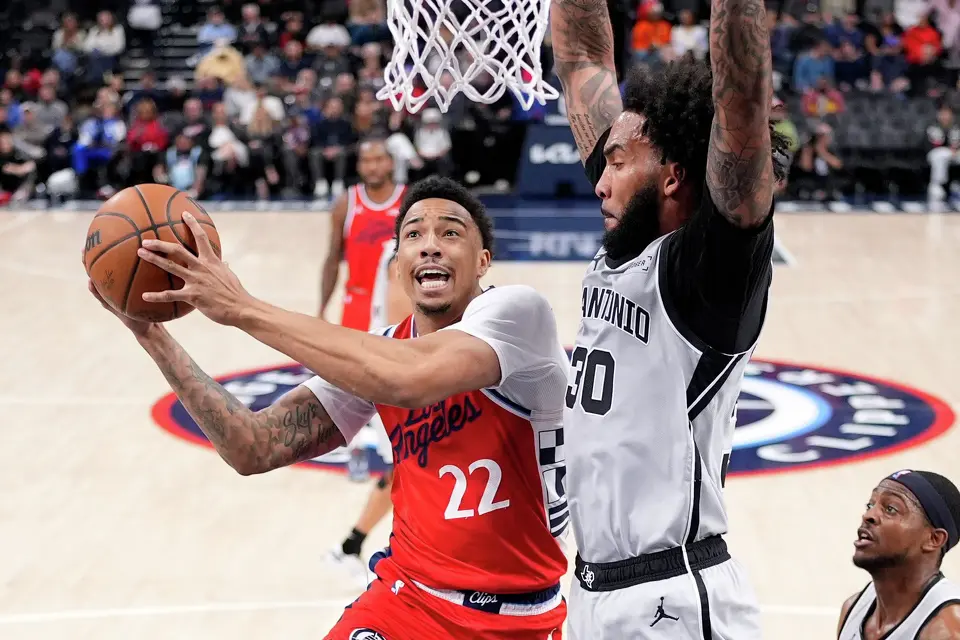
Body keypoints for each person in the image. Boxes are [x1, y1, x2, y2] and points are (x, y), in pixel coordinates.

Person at [96, 177, 570, 639]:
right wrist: (152, 336)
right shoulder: (380, 353)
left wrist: (241, 307)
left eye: (450, 232)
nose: (430, 245)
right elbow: (254, 447)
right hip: (405, 602)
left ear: (483, 260)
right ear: (398, 262)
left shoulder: (519, 316)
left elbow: (409, 378)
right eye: (413, 235)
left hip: (517, 618)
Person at [551, 0, 790, 636]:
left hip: (673, 595)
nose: (600, 179)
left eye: (619, 161)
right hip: (591, 589)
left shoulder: (705, 277)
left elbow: (740, 106)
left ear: (675, 177)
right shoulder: (627, 245)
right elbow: (581, 62)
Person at [318, 137, 410, 586]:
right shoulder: (351, 208)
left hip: (388, 329)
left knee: (406, 462)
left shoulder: (408, 212)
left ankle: (355, 545)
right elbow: (332, 258)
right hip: (377, 329)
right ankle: (353, 544)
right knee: (402, 457)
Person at [838, 470, 960, 639]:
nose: (868, 515)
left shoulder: (947, 630)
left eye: (890, 509)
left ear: (934, 538)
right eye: (870, 505)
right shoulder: (852, 609)